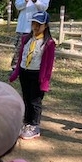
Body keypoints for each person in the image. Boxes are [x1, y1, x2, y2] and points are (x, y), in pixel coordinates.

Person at [9, 11, 56, 140]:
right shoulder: (26, 39)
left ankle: (34, 126)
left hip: (37, 75)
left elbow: (48, 65)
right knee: (26, 98)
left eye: (39, 25)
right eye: (33, 24)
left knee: (35, 101)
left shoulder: (49, 43)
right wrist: (16, 72)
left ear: (45, 26)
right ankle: (27, 122)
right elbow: (21, 57)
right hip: (25, 72)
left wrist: (45, 81)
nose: (35, 27)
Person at [11, 0, 50, 69]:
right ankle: (15, 67)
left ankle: (32, 66)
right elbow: (17, 6)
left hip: (37, 26)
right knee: (19, 47)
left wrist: (36, 1)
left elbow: (44, 8)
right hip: (23, 24)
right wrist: (25, 2)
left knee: (35, 47)